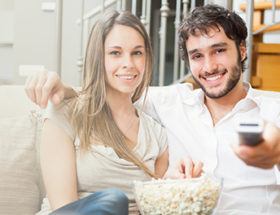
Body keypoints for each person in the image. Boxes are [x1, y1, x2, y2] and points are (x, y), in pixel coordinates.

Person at [25, 4, 280, 214]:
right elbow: (111, 90)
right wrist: (65, 90)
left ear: (242, 50)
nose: (210, 66)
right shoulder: (171, 102)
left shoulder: (273, 110)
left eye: (219, 50)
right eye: (197, 56)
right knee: (112, 202)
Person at [28, 10, 203, 215]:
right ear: (98, 58)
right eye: (115, 53)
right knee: (113, 200)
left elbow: (152, 208)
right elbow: (64, 208)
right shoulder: (65, 113)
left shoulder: (157, 135)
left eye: (137, 52)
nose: (128, 63)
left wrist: (170, 184)